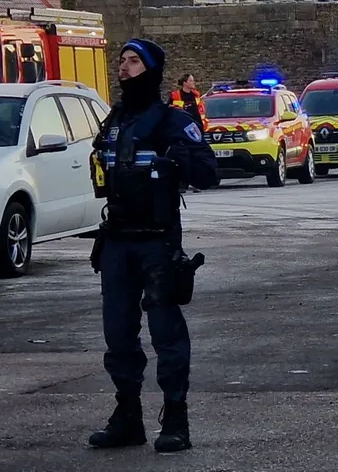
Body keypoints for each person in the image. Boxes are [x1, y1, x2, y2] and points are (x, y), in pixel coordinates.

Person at [86, 38, 219, 453]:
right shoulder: (116, 119)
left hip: (157, 243)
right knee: (118, 336)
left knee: (166, 333)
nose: (123, 68)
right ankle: (127, 416)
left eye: (132, 61)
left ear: (152, 69)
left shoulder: (172, 120)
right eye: (121, 61)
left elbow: (208, 172)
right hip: (117, 241)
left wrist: (180, 157)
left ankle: (176, 419)